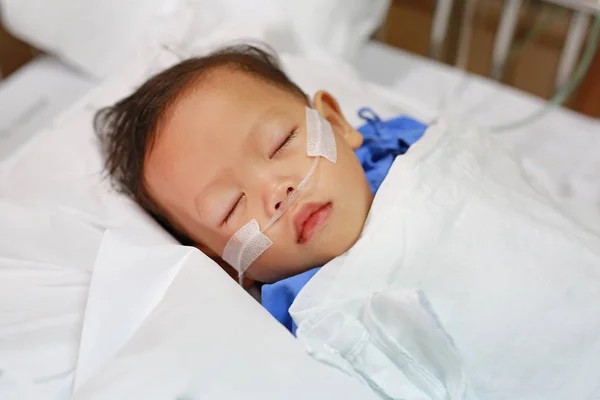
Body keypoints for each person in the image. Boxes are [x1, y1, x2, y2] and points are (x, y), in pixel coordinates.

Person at [95, 44, 426, 330]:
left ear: (336, 125)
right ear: (225, 263)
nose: (278, 192)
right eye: (231, 206)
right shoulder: (314, 326)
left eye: (280, 143)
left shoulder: (408, 147)